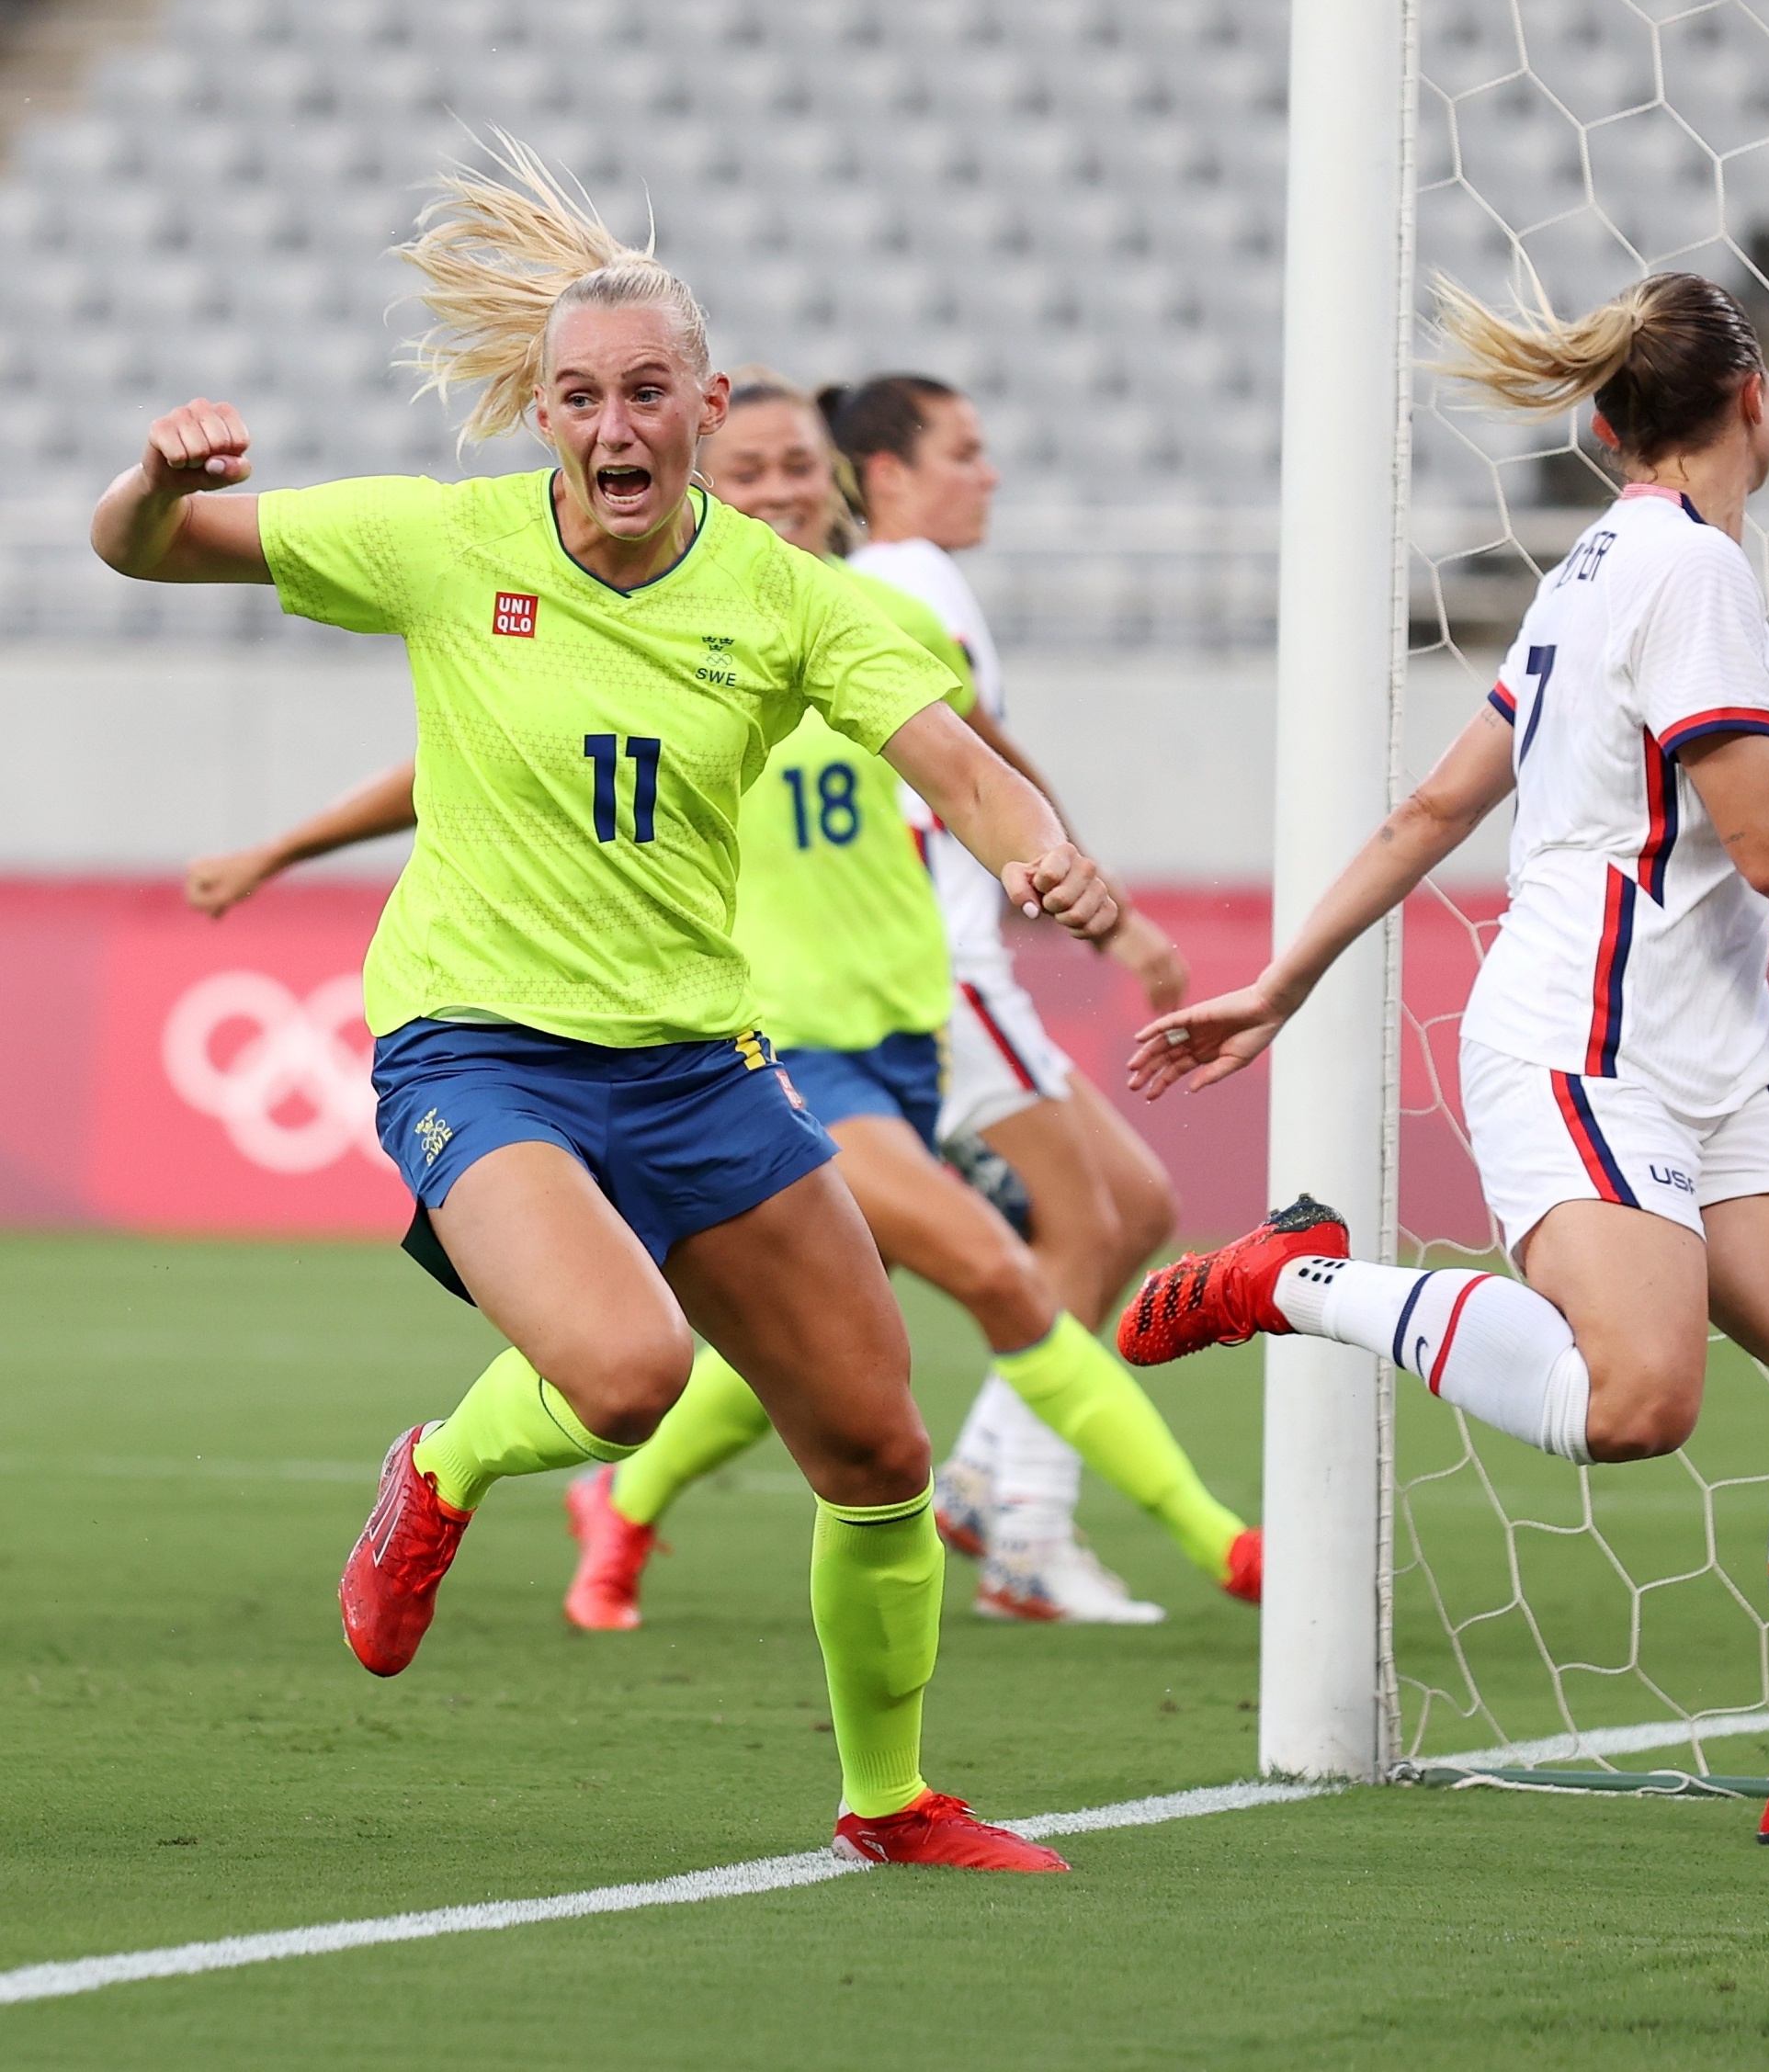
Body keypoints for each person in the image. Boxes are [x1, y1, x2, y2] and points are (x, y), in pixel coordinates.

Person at [96, 138, 1104, 1872]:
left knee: (874, 1442)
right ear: (539, 415)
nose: (616, 426)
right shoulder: (441, 543)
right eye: (581, 397)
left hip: (698, 1063)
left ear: (704, 407)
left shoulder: (788, 597)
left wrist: (1042, 852)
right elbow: (150, 553)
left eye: (649, 392)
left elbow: (955, 755)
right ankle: (443, 1467)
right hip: (476, 1048)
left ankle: (889, 1803)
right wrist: (148, 477)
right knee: (631, 1377)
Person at [1117, 271, 1769, 1863]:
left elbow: (1436, 809)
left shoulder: (1592, 572)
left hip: (1707, 1057)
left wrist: (1281, 981)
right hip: (1588, 1048)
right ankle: (1294, 1283)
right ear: (1754, 402)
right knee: (1634, 1402)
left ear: (1597, 421)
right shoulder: (1687, 576)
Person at [196, 376, 1257, 1629]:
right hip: (774, 1037)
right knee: (998, 1279)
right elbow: (458, 761)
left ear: (835, 480)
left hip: (897, 1022)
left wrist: (1078, 880)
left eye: (799, 469)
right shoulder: (621, 604)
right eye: (750, 472)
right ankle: (1176, 1541)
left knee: (821, 1379)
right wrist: (282, 849)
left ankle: (639, 1518)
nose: (778, 492)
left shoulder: (840, 616)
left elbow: (979, 769)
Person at [819, 377, 1259, 1609]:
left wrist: (1090, 892)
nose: (991, 473)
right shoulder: (902, 590)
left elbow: (986, 763)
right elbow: (952, 782)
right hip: (937, 971)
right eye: (964, 451)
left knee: (1130, 1204)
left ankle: (982, 1481)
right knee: (1076, 1226)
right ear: (888, 475)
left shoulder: (915, 590)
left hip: (962, 966)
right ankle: (1023, 1521)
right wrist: (1103, 913)